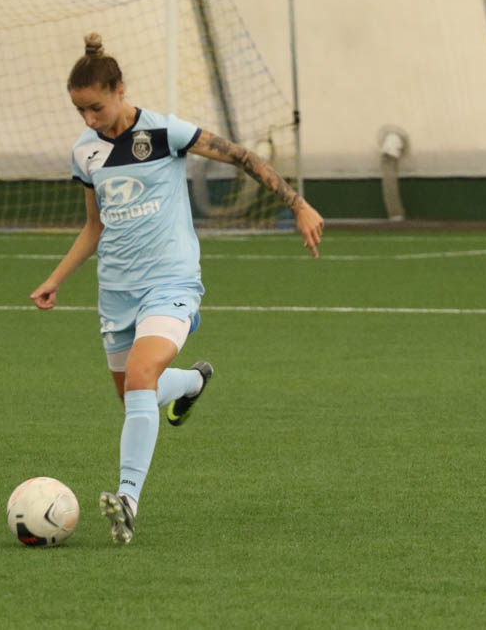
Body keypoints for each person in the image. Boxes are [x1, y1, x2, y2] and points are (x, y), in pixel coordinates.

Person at [30, 33, 324, 545]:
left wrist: (297, 204)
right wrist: (56, 279)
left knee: (141, 376)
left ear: (121, 90)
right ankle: (191, 383)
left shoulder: (165, 133)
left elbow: (240, 156)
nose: (90, 119)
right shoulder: (85, 153)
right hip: (116, 292)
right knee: (132, 394)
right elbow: (94, 226)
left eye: (96, 107)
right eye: (80, 110)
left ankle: (127, 500)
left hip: (171, 282)